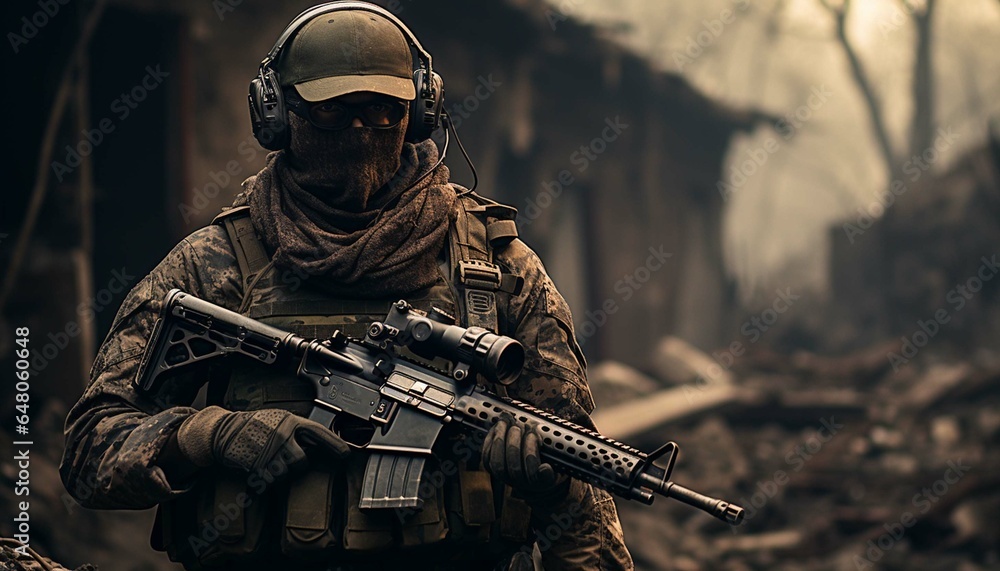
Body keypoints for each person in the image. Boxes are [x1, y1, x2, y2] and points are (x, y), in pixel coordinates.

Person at [60, 2, 634, 570]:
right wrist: (207, 437)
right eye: (331, 110)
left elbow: (584, 499)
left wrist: (548, 487)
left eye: (383, 110)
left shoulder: (496, 269)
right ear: (277, 114)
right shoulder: (215, 267)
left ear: (421, 111)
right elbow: (90, 451)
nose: (360, 131)